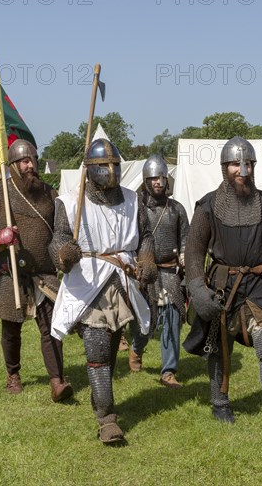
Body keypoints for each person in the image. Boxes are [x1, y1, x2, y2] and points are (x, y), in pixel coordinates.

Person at [184, 136, 262, 438]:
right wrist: (198, 289)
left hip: (258, 285)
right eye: (236, 164)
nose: (243, 170)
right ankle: (220, 401)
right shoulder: (208, 205)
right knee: (217, 345)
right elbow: (194, 253)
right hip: (223, 285)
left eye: (248, 163)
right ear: (224, 167)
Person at [50, 138, 157, 444]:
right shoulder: (71, 202)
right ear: (90, 170)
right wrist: (63, 254)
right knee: (96, 345)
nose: (110, 172)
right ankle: (107, 419)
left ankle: (101, 399)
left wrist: (147, 259)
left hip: (121, 279)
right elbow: (57, 239)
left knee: (110, 348)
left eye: (114, 165)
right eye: (103, 167)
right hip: (88, 279)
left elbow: (146, 236)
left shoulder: (133, 200)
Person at [0, 139, 73, 403]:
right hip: (10, 272)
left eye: (33, 160)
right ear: (14, 165)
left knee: (52, 328)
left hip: (44, 272)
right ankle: (13, 374)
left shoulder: (50, 194)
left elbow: (62, 230)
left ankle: (57, 380)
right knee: (11, 329)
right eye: (24, 161)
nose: (30, 165)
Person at [129, 155, 189, 389]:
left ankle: (169, 371)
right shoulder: (136, 209)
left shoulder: (176, 209)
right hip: (146, 272)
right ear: (146, 180)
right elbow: (131, 239)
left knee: (173, 320)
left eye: (161, 177)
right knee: (149, 322)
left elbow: (185, 237)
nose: (158, 182)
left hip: (170, 272)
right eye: (153, 178)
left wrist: (184, 255)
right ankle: (136, 348)